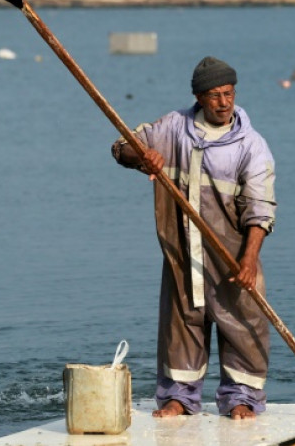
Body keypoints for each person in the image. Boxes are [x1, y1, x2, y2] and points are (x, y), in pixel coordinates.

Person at [111, 56, 277, 420]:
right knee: (181, 324)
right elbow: (120, 147)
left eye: (228, 94)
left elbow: (260, 209)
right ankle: (179, 399)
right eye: (214, 95)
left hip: (232, 258)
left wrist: (248, 261)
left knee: (243, 327)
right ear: (199, 97)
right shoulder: (172, 128)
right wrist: (142, 157)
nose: (223, 103)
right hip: (182, 254)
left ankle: (242, 400)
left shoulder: (251, 145)